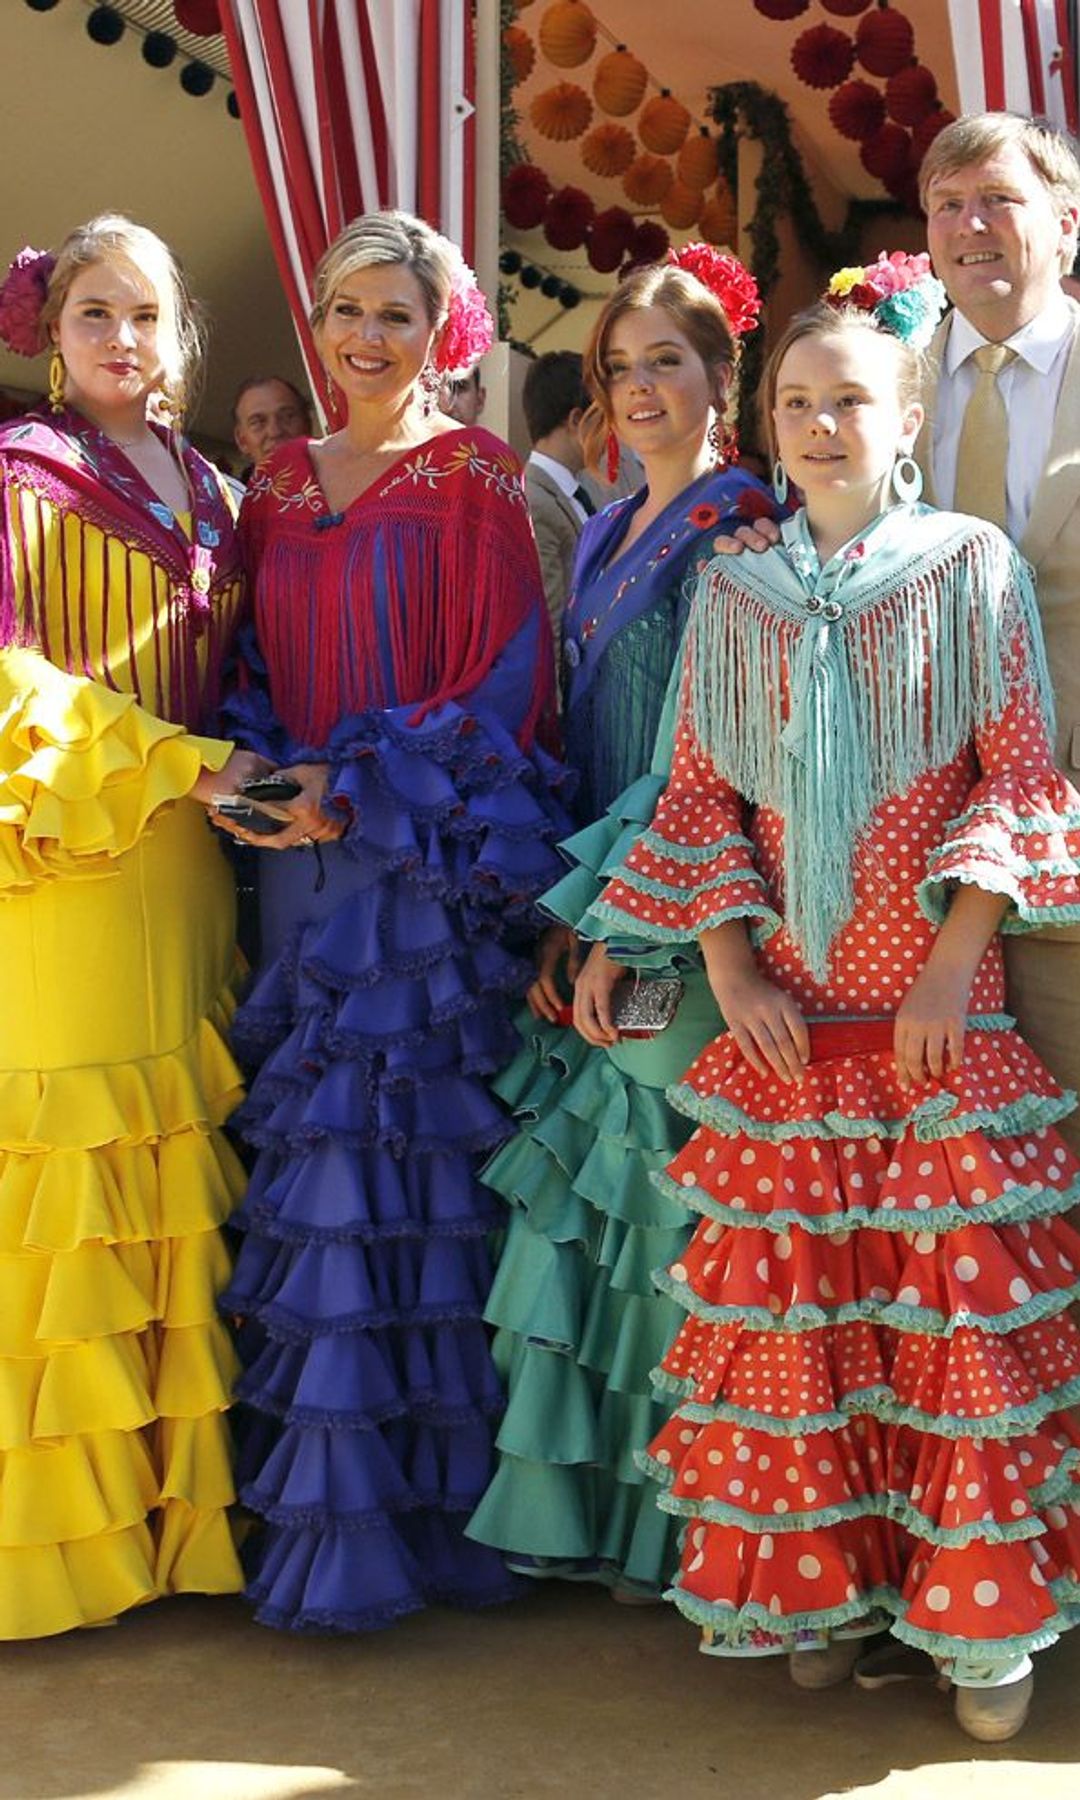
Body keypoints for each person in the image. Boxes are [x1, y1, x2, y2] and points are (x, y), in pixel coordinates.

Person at [577, 277, 1080, 1742]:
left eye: (851, 399)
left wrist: (950, 953)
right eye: (795, 402)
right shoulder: (733, 586)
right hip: (788, 1018)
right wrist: (727, 963)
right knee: (812, 1319)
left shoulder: (968, 564)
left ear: (908, 415)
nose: (818, 425)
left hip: (934, 1017)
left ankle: (976, 1631)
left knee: (944, 1318)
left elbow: (1019, 772)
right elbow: (697, 798)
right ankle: (831, 1588)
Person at [213, 210, 568, 1633]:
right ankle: (314, 1508)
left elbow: (509, 692)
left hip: (411, 877)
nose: (368, 338)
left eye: (398, 316)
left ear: (445, 334)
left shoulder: (481, 481)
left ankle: (426, 1526)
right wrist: (258, 777)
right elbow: (241, 661)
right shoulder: (277, 487)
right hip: (292, 870)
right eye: (349, 311)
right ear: (320, 320)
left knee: (407, 1180)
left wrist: (351, 789)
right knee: (306, 1176)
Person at [466, 248, 779, 1600]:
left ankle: (686, 1531)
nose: (642, 387)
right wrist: (561, 913)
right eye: (621, 366)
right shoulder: (599, 525)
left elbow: (704, 756)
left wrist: (622, 921)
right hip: (594, 909)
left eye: (668, 361)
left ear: (724, 377)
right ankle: (604, 1525)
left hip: (678, 919)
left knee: (662, 1201)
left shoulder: (743, 529)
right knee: (597, 1208)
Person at [0, 215, 262, 1638]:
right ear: (54, 331)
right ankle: (52, 1554)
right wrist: (184, 763)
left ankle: (167, 1535)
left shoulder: (217, 491)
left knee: (167, 1174)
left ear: (180, 336)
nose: (121, 338)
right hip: (63, 863)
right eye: (96, 311)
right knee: (69, 1187)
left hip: (192, 868)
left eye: (147, 315)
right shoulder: (15, 477)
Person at [916, 112, 1080, 1155]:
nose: (969, 224)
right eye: (946, 204)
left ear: (1066, 221)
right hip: (909, 875)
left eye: (997, 200)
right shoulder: (874, 388)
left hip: (1073, 865)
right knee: (955, 1217)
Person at [523, 350, 593, 635]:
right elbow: (549, 624)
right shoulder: (535, 502)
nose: (611, 431)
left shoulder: (572, 491)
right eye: (601, 417)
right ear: (576, 420)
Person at [232, 375, 312, 476]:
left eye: (287, 417)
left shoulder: (335, 477)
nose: (275, 432)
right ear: (241, 441)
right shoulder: (234, 491)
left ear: (307, 424)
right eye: (257, 422)